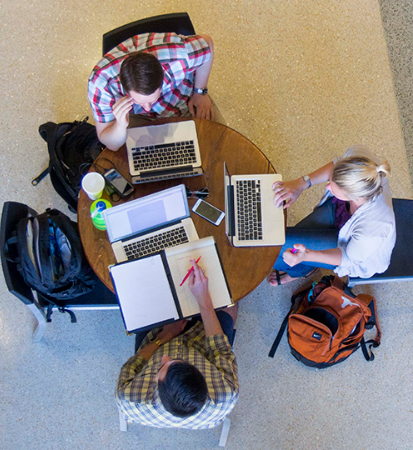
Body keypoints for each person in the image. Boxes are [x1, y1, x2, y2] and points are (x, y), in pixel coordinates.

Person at [116, 260, 239, 429]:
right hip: (205, 343)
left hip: (156, 340)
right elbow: (219, 350)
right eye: (177, 361)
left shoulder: (128, 397)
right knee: (230, 291)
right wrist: (204, 300)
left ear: (155, 385)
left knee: (145, 287)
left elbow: (135, 364)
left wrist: (165, 336)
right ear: (200, 373)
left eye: (161, 366)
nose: (165, 357)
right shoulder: (225, 393)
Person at [268, 144, 396, 286]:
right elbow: (336, 165)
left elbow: (348, 257)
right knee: (282, 241)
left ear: (354, 196)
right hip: (339, 212)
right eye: (331, 180)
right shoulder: (362, 162)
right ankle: (303, 267)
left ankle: (301, 271)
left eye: (333, 187)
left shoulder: (373, 228)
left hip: (348, 250)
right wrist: (301, 184)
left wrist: (308, 254)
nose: (327, 187)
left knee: (276, 245)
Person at [88, 32, 216, 151]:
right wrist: (120, 125)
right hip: (133, 116)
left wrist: (200, 91)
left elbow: (207, 43)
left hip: (181, 102)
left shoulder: (181, 55)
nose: (148, 109)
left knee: (212, 146)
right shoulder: (101, 84)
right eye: (139, 101)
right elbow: (111, 145)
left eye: (153, 99)